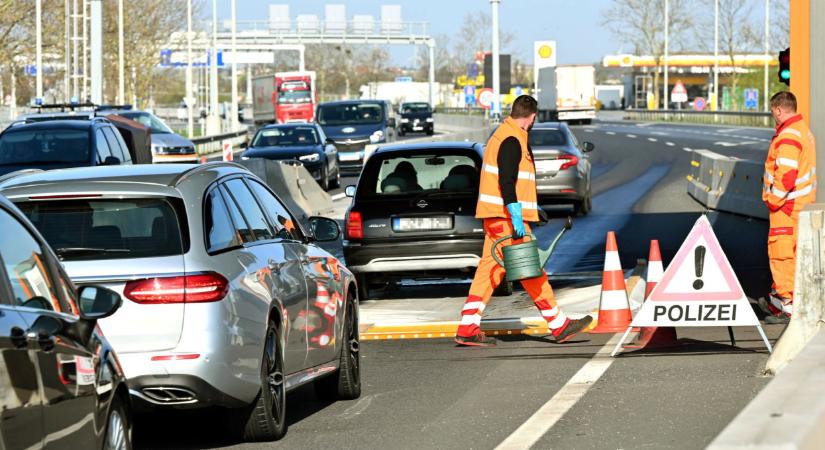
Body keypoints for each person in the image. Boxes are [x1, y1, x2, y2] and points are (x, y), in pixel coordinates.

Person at [454, 95, 593, 346]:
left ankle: (467, 326)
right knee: (532, 270)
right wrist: (516, 213)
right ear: (532, 117)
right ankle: (558, 324)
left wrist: (531, 210)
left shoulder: (503, 135)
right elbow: (506, 180)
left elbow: (514, 182)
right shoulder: (511, 139)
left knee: (489, 273)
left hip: (497, 218)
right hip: (507, 220)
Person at [759, 91, 816, 323]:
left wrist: (774, 200)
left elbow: (787, 174)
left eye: (773, 111)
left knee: (781, 255)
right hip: (800, 205)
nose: (773, 115)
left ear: (779, 109)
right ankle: (777, 299)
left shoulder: (788, 136)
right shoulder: (802, 130)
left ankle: (787, 304)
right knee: (792, 255)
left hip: (787, 206)